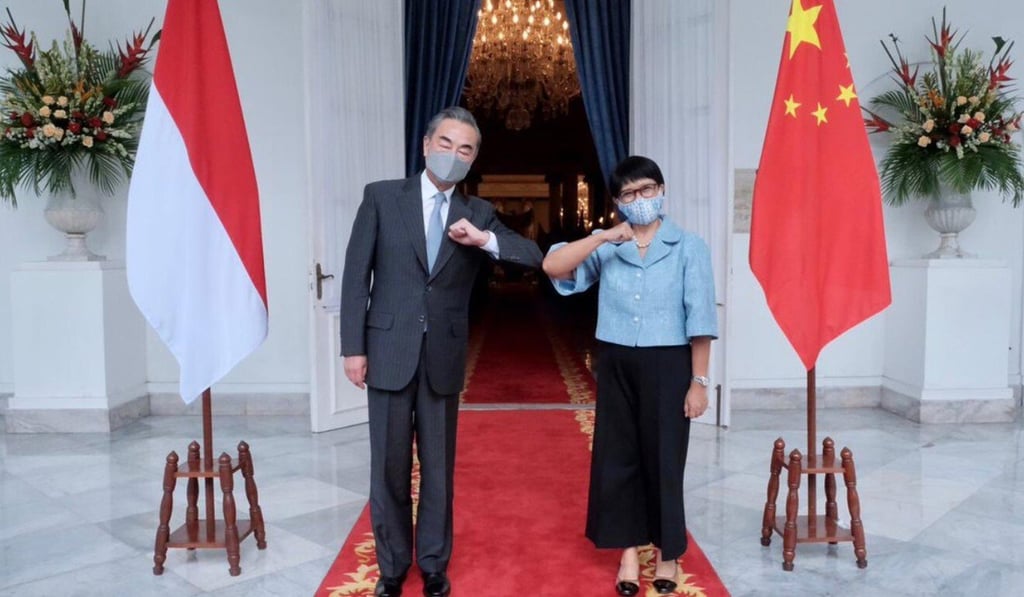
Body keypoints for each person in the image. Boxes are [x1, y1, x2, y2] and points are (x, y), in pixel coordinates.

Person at [340, 106, 543, 597]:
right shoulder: (382, 197)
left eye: (466, 150)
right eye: (447, 144)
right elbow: (355, 277)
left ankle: (433, 562)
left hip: (443, 358)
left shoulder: (478, 213)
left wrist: (484, 239)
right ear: (427, 145)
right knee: (388, 467)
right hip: (387, 349)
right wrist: (353, 348)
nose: (454, 155)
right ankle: (392, 567)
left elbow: (532, 257)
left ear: (473, 160)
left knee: (438, 469)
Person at [542, 155, 717, 596]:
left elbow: (700, 320)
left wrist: (698, 382)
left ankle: (668, 553)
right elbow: (554, 268)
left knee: (664, 459)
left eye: (647, 190)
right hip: (616, 362)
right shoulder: (609, 247)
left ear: (661, 190)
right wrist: (603, 235)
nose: (640, 199)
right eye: (629, 194)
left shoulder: (688, 247)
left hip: (668, 364)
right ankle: (627, 553)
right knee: (618, 459)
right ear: (618, 202)